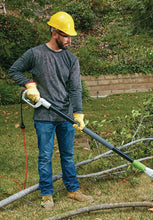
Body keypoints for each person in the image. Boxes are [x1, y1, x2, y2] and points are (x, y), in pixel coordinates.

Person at [8, 11, 94, 210]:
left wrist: (78, 113)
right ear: (54, 33)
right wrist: (29, 84)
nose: (69, 40)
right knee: (45, 156)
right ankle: (47, 194)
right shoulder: (35, 54)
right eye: (65, 35)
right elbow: (14, 70)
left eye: (70, 36)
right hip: (44, 116)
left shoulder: (71, 59)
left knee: (68, 154)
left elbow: (75, 88)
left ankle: (73, 190)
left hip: (65, 115)